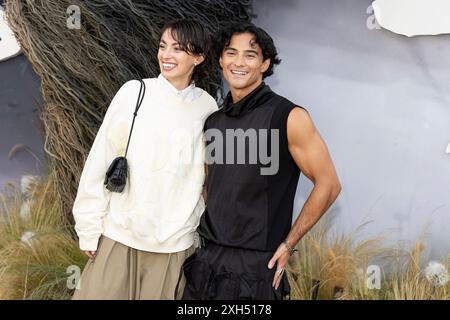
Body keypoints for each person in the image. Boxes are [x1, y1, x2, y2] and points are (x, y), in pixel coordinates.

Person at [181, 22, 341, 300]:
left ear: (265, 63)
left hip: (257, 267)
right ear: (220, 59)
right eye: (231, 53)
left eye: (250, 55)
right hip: (208, 261)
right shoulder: (213, 122)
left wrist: (289, 244)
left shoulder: (289, 117)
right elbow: (209, 186)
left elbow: (329, 184)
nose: (238, 62)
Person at [71, 19, 218, 300]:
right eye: (163, 46)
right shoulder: (134, 93)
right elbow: (100, 159)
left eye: (178, 49)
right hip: (119, 235)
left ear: (198, 57)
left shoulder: (208, 108)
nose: (166, 55)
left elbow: (206, 177)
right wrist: (89, 228)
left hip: (175, 246)